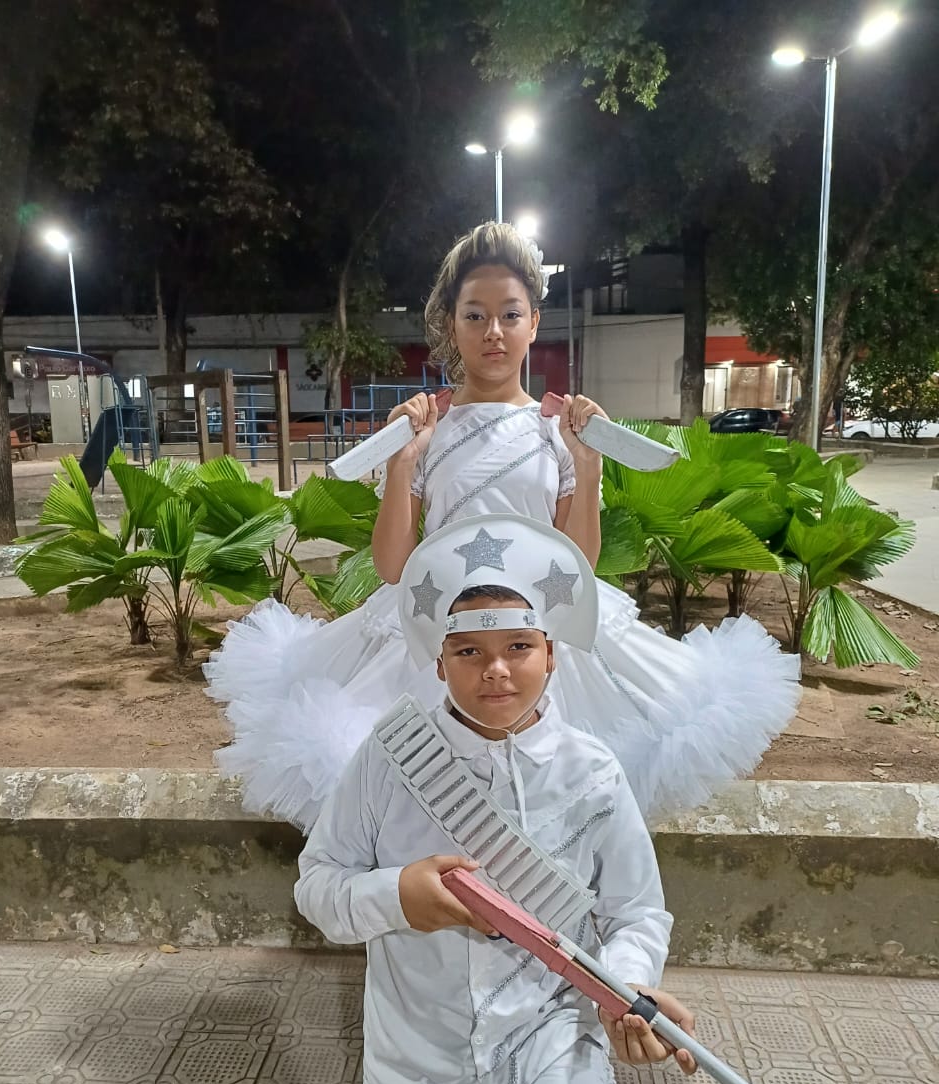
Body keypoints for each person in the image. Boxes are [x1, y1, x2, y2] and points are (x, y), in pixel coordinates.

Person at [205, 221, 800, 831]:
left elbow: (580, 563)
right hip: (436, 623)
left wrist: (587, 463)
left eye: (510, 314)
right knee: (416, 789)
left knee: (551, 794)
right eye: (475, 316)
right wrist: (403, 459)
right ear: (451, 325)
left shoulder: (557, 431)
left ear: (533, 323)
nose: (493, 331)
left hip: (538, 623)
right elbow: (391, 567)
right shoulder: (425, 430)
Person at [295, 514, 697, 1084]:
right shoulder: (389, 760)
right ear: (439, 661)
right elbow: (319, 885)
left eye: (519, 647)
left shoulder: (592, 771)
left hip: (554, 1032)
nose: (497, 671)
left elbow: (636, 911)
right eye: (470, 652)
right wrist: (397, 895)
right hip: (427, 1046)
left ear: (552, 652)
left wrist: (627, 986)